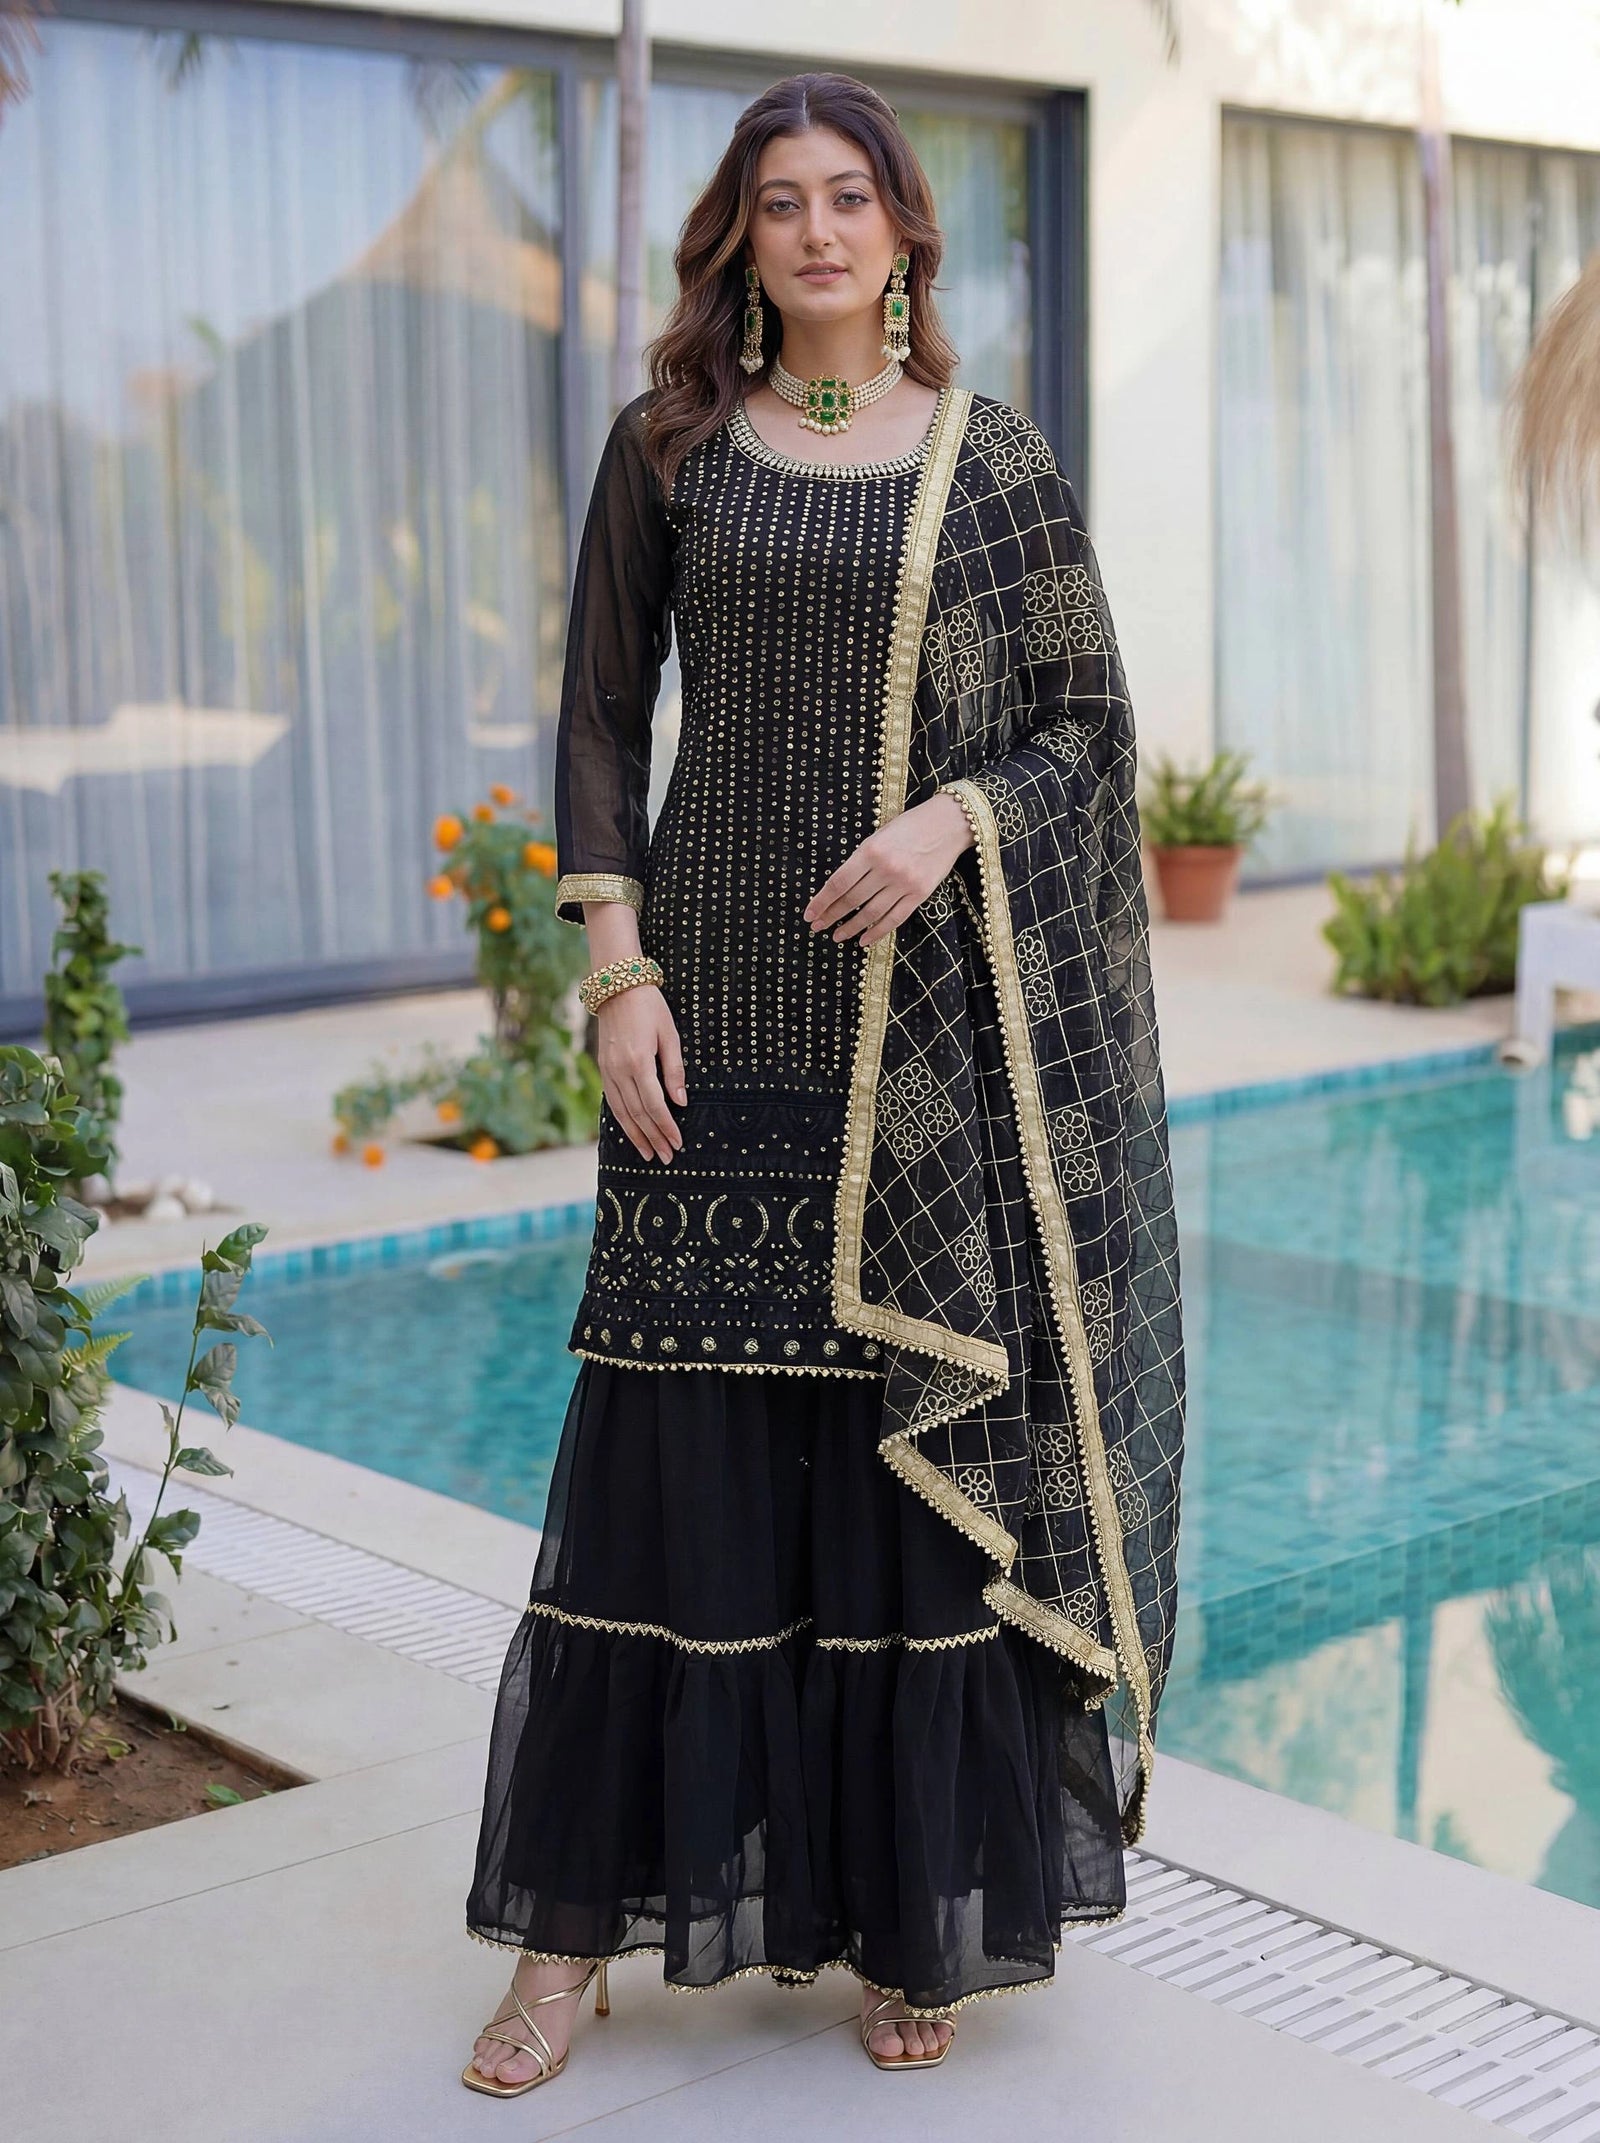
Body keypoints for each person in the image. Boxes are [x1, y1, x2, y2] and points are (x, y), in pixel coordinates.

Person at [462, 69, 1185, 2093]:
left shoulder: (992, 463)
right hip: (711, 1021)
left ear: (902, 233)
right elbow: (599, 720)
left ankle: (905, 1917)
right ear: (741, 236)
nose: (812, 230)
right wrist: (612, 978)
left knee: (894, 1488)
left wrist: (952, 816)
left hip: (919, 1057)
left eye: (844, 196)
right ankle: (563, 1946)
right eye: (776, 200)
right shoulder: (670, 444)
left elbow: (1078, 738)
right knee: (653, 1472)